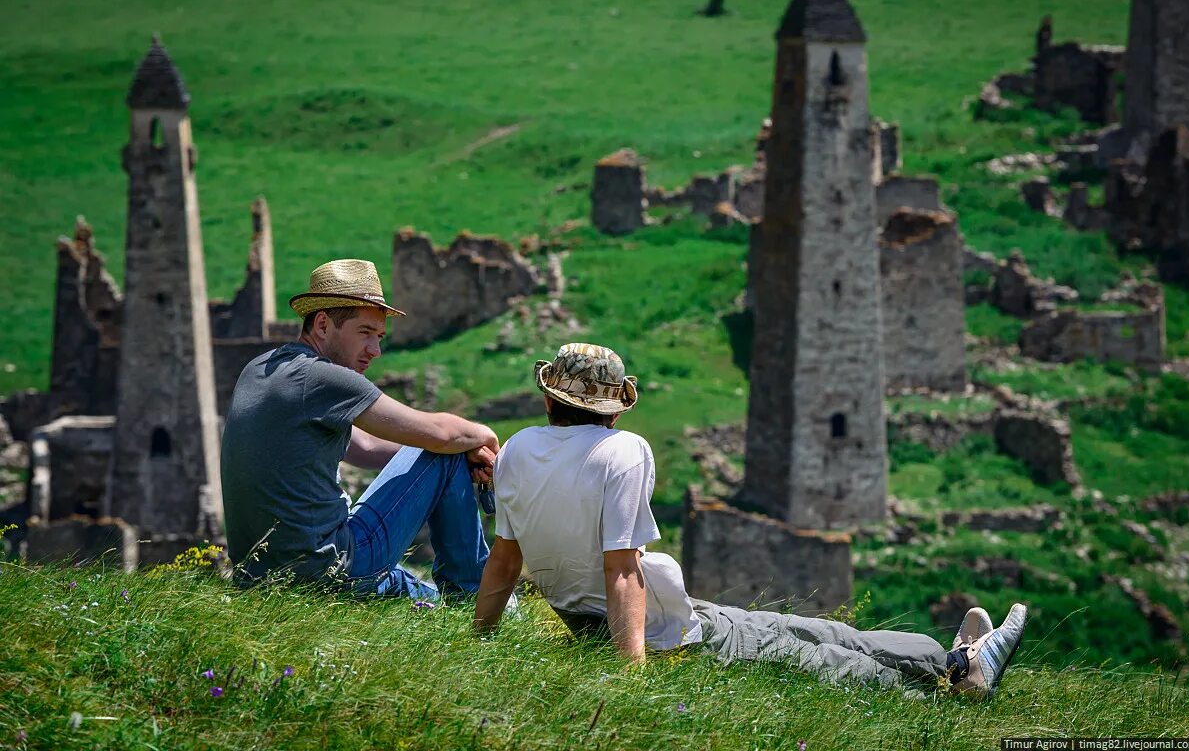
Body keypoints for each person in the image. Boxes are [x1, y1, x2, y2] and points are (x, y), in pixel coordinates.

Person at [473, 342, 1027, 698]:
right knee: (815, 653)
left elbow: (504, 558)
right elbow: (621, 570)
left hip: (604, 619)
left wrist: (481, 641)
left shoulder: (518, 451)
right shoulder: (623, 451)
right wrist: (629, 677)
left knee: (808, 632)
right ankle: (958, 677)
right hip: (659, 632)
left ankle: (953, 658)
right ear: (615, 410)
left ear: (549, 402)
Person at [222, 259, 499, 600]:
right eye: (365, 333)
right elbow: (439, 433)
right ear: (322, 325)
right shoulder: (322, 378)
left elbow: (365, 447)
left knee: (401, 581)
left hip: (258, 577)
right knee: (449, 447)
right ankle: (478, 600)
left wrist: (440, 460)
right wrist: (481, 438)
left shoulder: (259, 370)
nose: (375, 351)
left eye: (380, 337)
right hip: (324, 571)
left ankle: (441, 608)